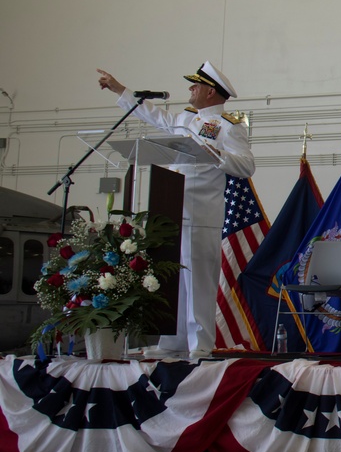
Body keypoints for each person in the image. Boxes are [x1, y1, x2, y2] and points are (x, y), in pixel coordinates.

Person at [97, 62, 254, 358]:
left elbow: (246, 166)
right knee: (170, 276)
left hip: (201, 212)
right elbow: (153, 115)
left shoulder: (229, 126)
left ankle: (200, 344)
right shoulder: (186, 118)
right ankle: (172, 341)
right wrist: (119, 89)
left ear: (210, 91)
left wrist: (216, 153)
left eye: (195, 85)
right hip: (171, 207)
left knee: (197, 280)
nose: (190, 89)